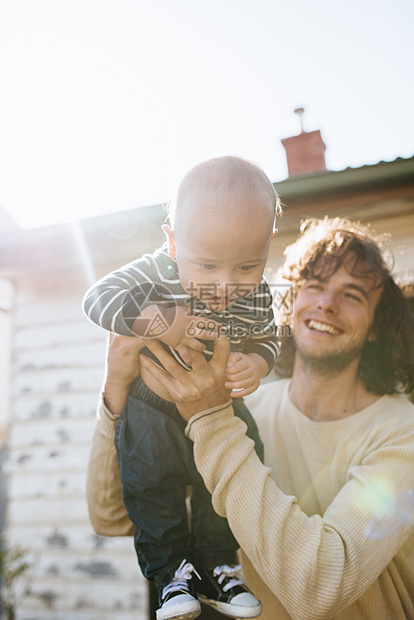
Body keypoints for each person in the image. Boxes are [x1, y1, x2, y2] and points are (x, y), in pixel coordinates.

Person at [87, 217, 414, 619]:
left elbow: (321, 590)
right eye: (314, 285)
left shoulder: (403, 432)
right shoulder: (246, 407)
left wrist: (210, 415)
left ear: (377, 327)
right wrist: (116, 390)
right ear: (290, 305)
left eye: (353, 295)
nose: (327, 303)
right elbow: (112, 518)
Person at [83, 156, 282, 620]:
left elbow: (269, 336)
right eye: (208, 265)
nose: (225, 285)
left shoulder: (257, 293)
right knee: (152, 484)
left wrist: (254, 361)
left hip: (220, 410)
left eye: (247, 265)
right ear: (172, 243)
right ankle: (171, 572)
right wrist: (165, 321)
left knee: (230, 478)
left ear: (267, 248)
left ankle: (218, 565)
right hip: (150, 405)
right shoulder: (155, 271)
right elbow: (98, 299)